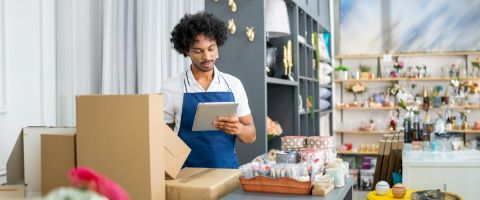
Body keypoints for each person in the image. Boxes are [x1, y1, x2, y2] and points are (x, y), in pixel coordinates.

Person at [162, 12, 256, 169]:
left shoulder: (233, 85)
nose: (207, 56)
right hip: (185, 175)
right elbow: (162, 136)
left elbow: (251, 136)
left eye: (211, 48)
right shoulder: (171, 87)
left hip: (227, 173)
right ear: (186, 50)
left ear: (217, 45)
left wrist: (238, 129)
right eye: (198, 51)